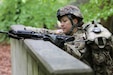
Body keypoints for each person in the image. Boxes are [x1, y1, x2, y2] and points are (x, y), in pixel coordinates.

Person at [25, 5, 113, 75]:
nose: (61, 24)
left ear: (74, 21)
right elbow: (49, 32)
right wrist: (27, 30)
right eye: (61, 22)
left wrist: (61, 45)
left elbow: (78, 53)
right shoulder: (68, 33)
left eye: (64, 21)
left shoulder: (82, 36)